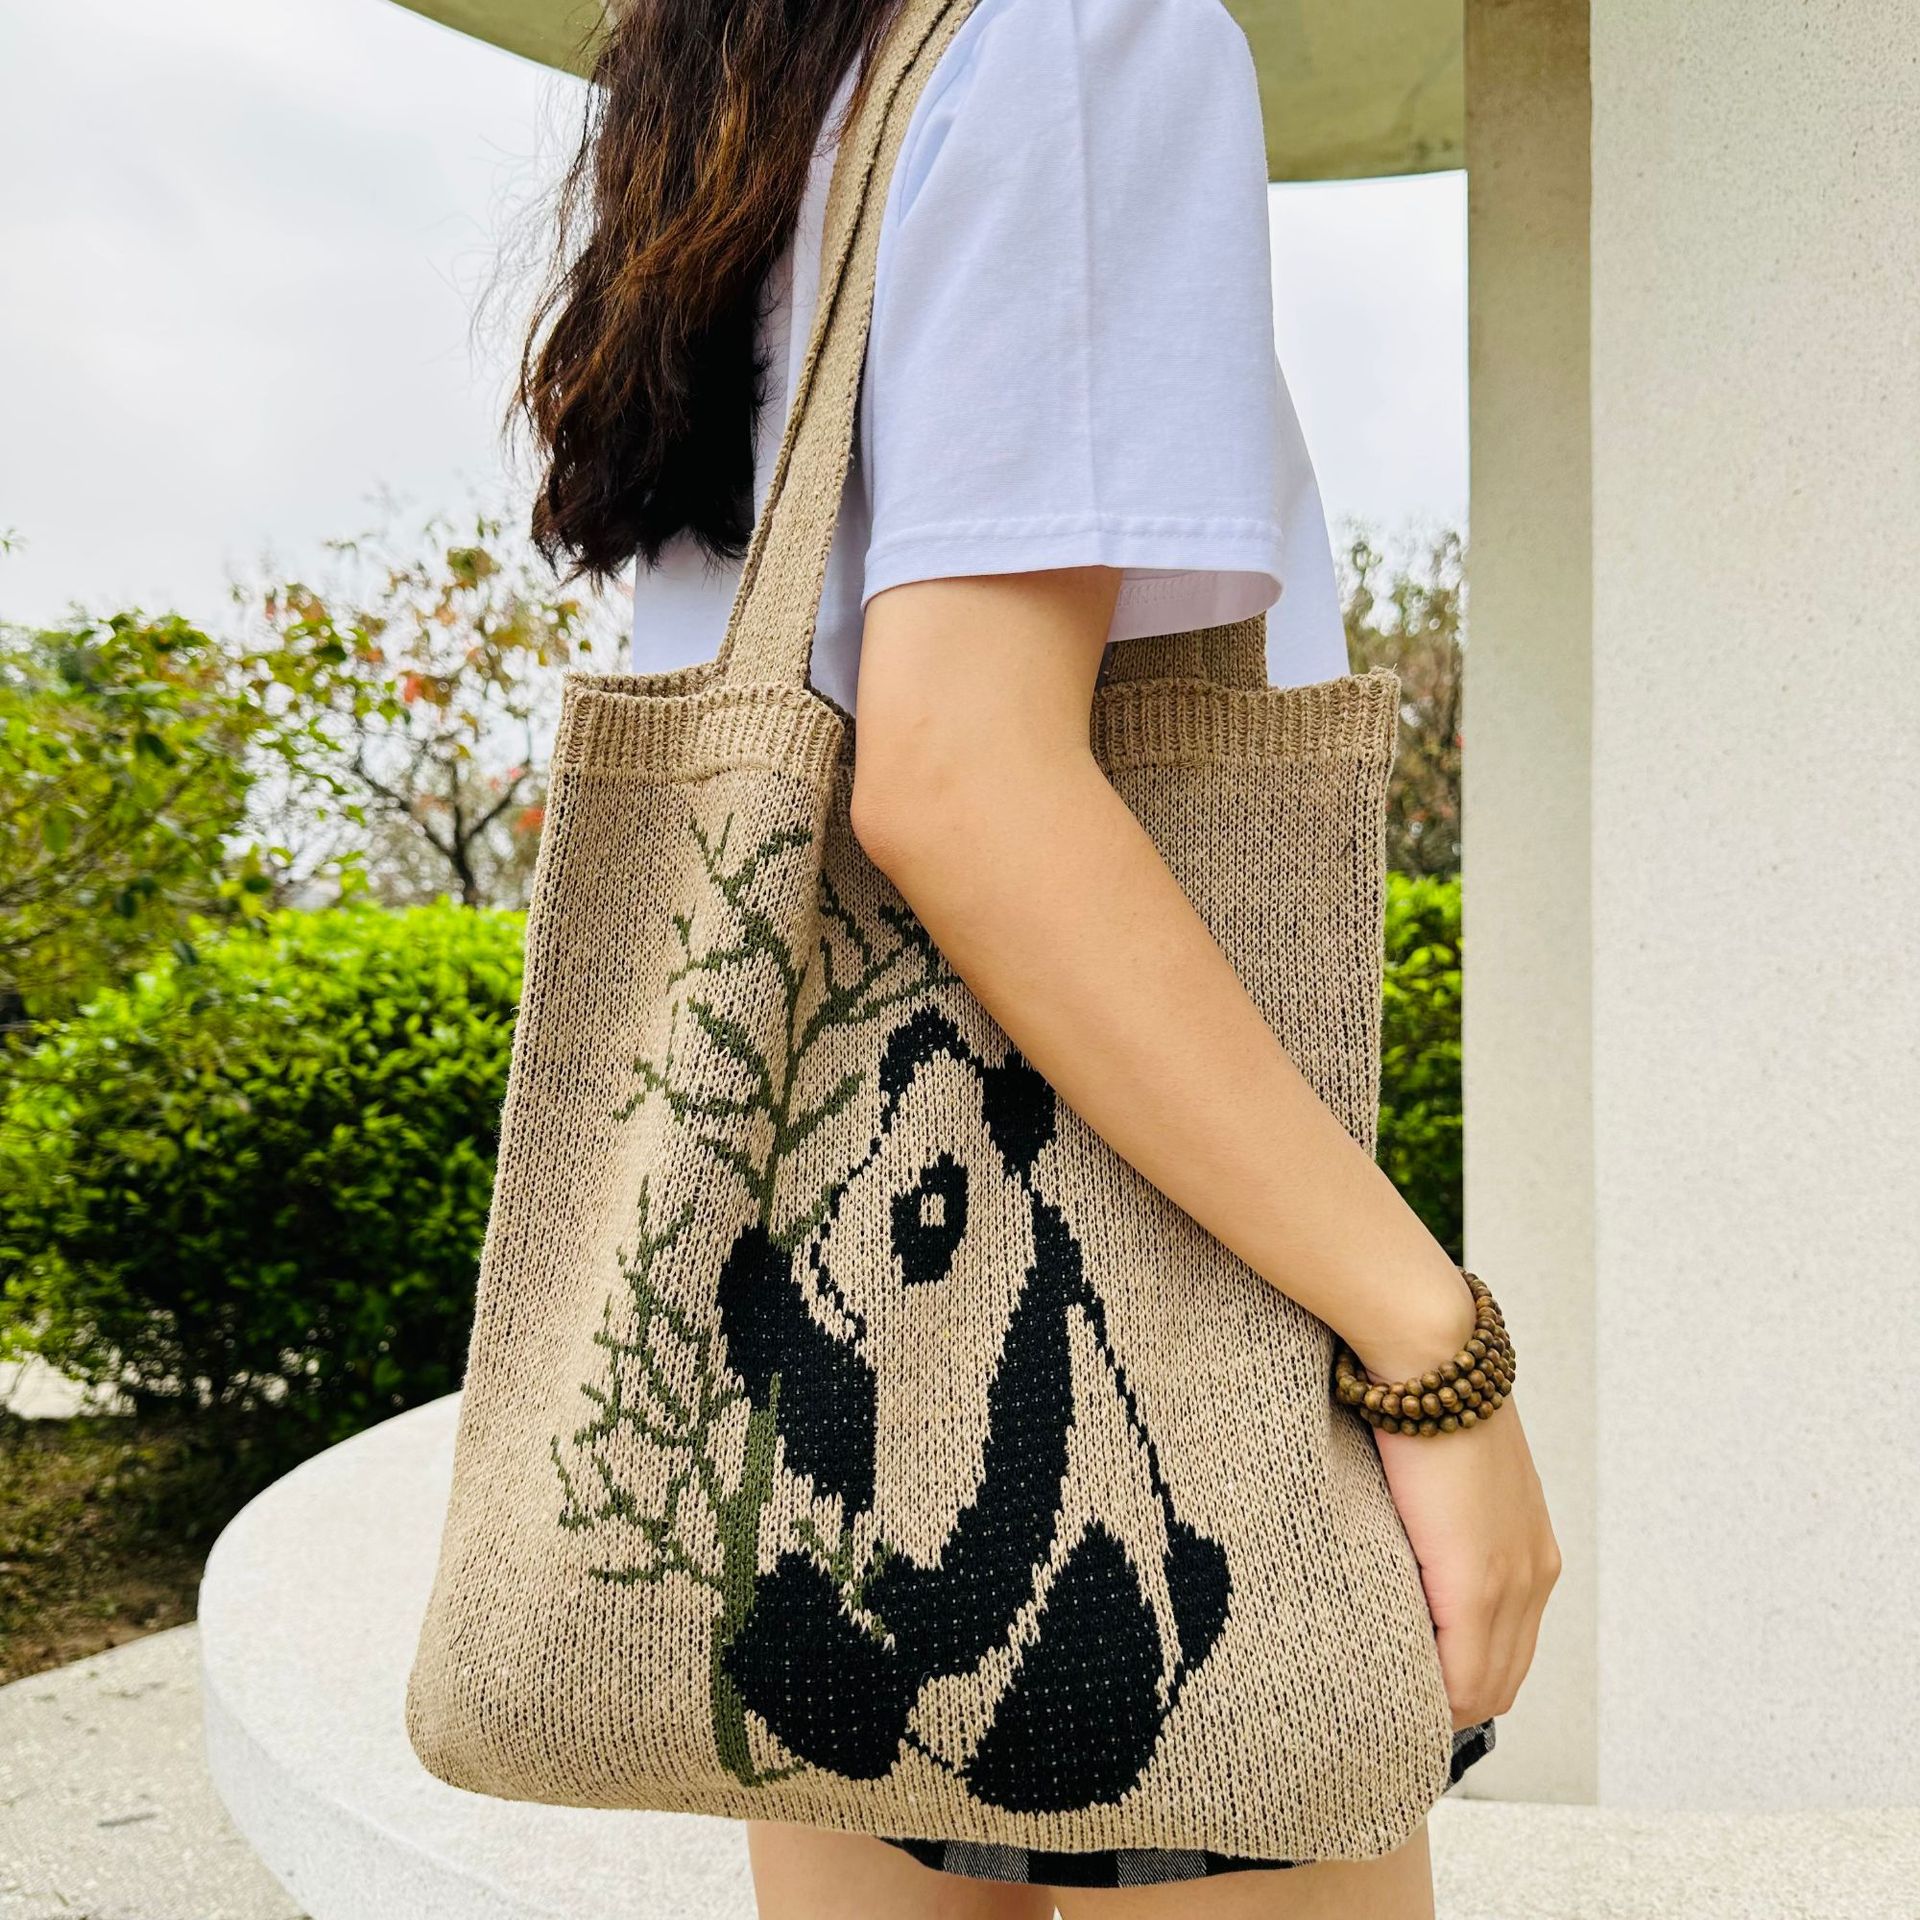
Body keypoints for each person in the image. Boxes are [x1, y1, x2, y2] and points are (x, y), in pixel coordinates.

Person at [511, 0, 1560, 1913]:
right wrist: (1436, 1354)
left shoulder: (762, 71)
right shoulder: (1084, 31)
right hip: (1141, 1301)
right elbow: (963, 783)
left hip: (823, 1320)